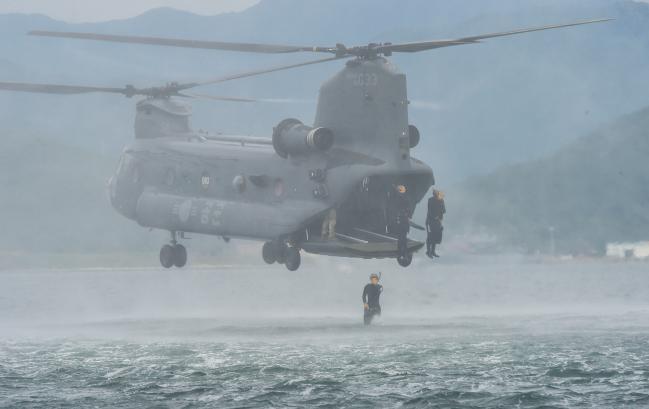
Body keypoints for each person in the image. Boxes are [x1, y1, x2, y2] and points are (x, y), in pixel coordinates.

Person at [392, 184, 411, 261]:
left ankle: (402, 253)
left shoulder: (400, 198)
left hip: (403, 220)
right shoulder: (402, 198)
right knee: (402, 239)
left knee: (402, 239)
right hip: (402, 220)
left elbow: (407, 210)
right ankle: (401, 253)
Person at [426, 189, 446, 258]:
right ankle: (428, 252)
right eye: (435, 193)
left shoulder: (441, 200)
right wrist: (435, 217)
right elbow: (430, 210)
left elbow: (444, 210)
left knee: (436, 236)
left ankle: (433, 251)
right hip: (430, 221)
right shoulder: (430, 200)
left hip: (438, 221)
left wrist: (441, 203)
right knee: (430, 237)